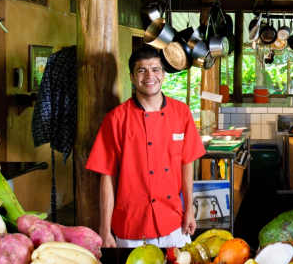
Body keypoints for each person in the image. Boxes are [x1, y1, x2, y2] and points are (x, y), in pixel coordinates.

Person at [86, 46, 205, 248]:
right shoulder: (116, 119)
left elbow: (187, 164)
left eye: (155, 69)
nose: (150, 75)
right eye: (141, 70)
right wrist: (105, 230)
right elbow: (107, 176)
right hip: (131, 225)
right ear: (132, 77)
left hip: (173, 222)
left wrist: (189, 211)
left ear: (163, 74)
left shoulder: (181, 113)